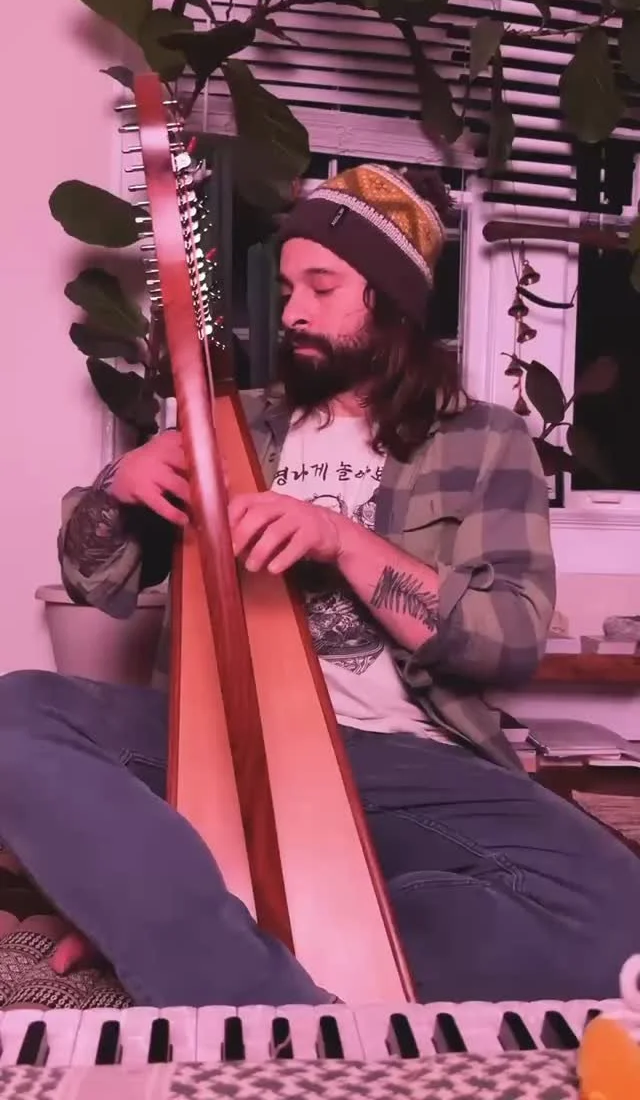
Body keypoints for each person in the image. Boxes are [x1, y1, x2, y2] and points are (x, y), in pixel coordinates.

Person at [1, 162, 640, 1010]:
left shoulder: (485, 443)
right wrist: (119, 486)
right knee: (14, 712)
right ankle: (256, 999)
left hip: (412, 766)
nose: (293, 311)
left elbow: (510, 640)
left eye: (322, 286)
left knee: (618, 913)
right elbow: (96, 586)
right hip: (229, 751)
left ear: (392, 303)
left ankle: (199, 934)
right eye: (287, 288)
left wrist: (342, 541)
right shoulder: (228, 423)